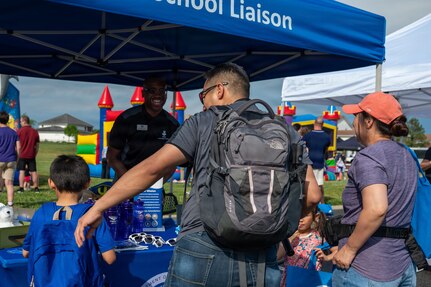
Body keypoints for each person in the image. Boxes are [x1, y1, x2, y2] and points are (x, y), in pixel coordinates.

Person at [75, 63, 321, 287]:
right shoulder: (284, 130)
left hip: (203, 245)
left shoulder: (204, 121)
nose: (203, 103)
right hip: (263, 252)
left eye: (204, 95)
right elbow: (313, 195)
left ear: (220, 90)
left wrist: (98, 208)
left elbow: (152, 168)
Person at [332, 92, 416, 286]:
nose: (354, 123)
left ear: (368, 121)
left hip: (367, 268)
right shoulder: (407, 156)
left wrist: (349, 249)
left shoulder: (369, 157)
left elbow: (377, 209)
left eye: (356, 117)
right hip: (402, 264)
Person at [23, 155, 116, 285]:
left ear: (51, 183)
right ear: (87, 183)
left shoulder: (41, 213)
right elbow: (110, 258)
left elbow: (26, 252)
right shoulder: (92, 214)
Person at [107, 77, 179, 180]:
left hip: (154, 185)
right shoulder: (126, 119)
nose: (158, 95)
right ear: (143, 93)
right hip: (124, 181)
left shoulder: (172, 124)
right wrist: (128, 182)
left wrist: (156, 186)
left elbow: (173, 161)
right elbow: (112, 157)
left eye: (162, 91)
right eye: (152, 91)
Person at [302, 116, 331, 203]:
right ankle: (321, 202)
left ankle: (309, 201)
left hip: (309, 162)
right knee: (319, 184)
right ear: (323, 124)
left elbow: (303, 148)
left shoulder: (307, 136)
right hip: (320, 161)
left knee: (309, 183)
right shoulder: (327, 137)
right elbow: (325, 150)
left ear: (314, 123)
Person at [0, 111, 20, 206]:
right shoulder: (13, 133)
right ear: (7, 120)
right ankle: (10, 204)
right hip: (11, 160)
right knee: (9, 183)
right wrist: (17, 158)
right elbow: (18, 148)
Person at [17, 115, 40, 193]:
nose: (20, 123)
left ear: (24, 121)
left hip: (22, 155)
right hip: (31, 155)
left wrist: (18, 154)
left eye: (21, 121)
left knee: (22, 171)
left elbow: (18, 145)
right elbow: (37, 146)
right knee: (34, 171)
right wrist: (35, 154)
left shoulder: (20, 131)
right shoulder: (35, 131)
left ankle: (21, 188)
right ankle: (36, 188)